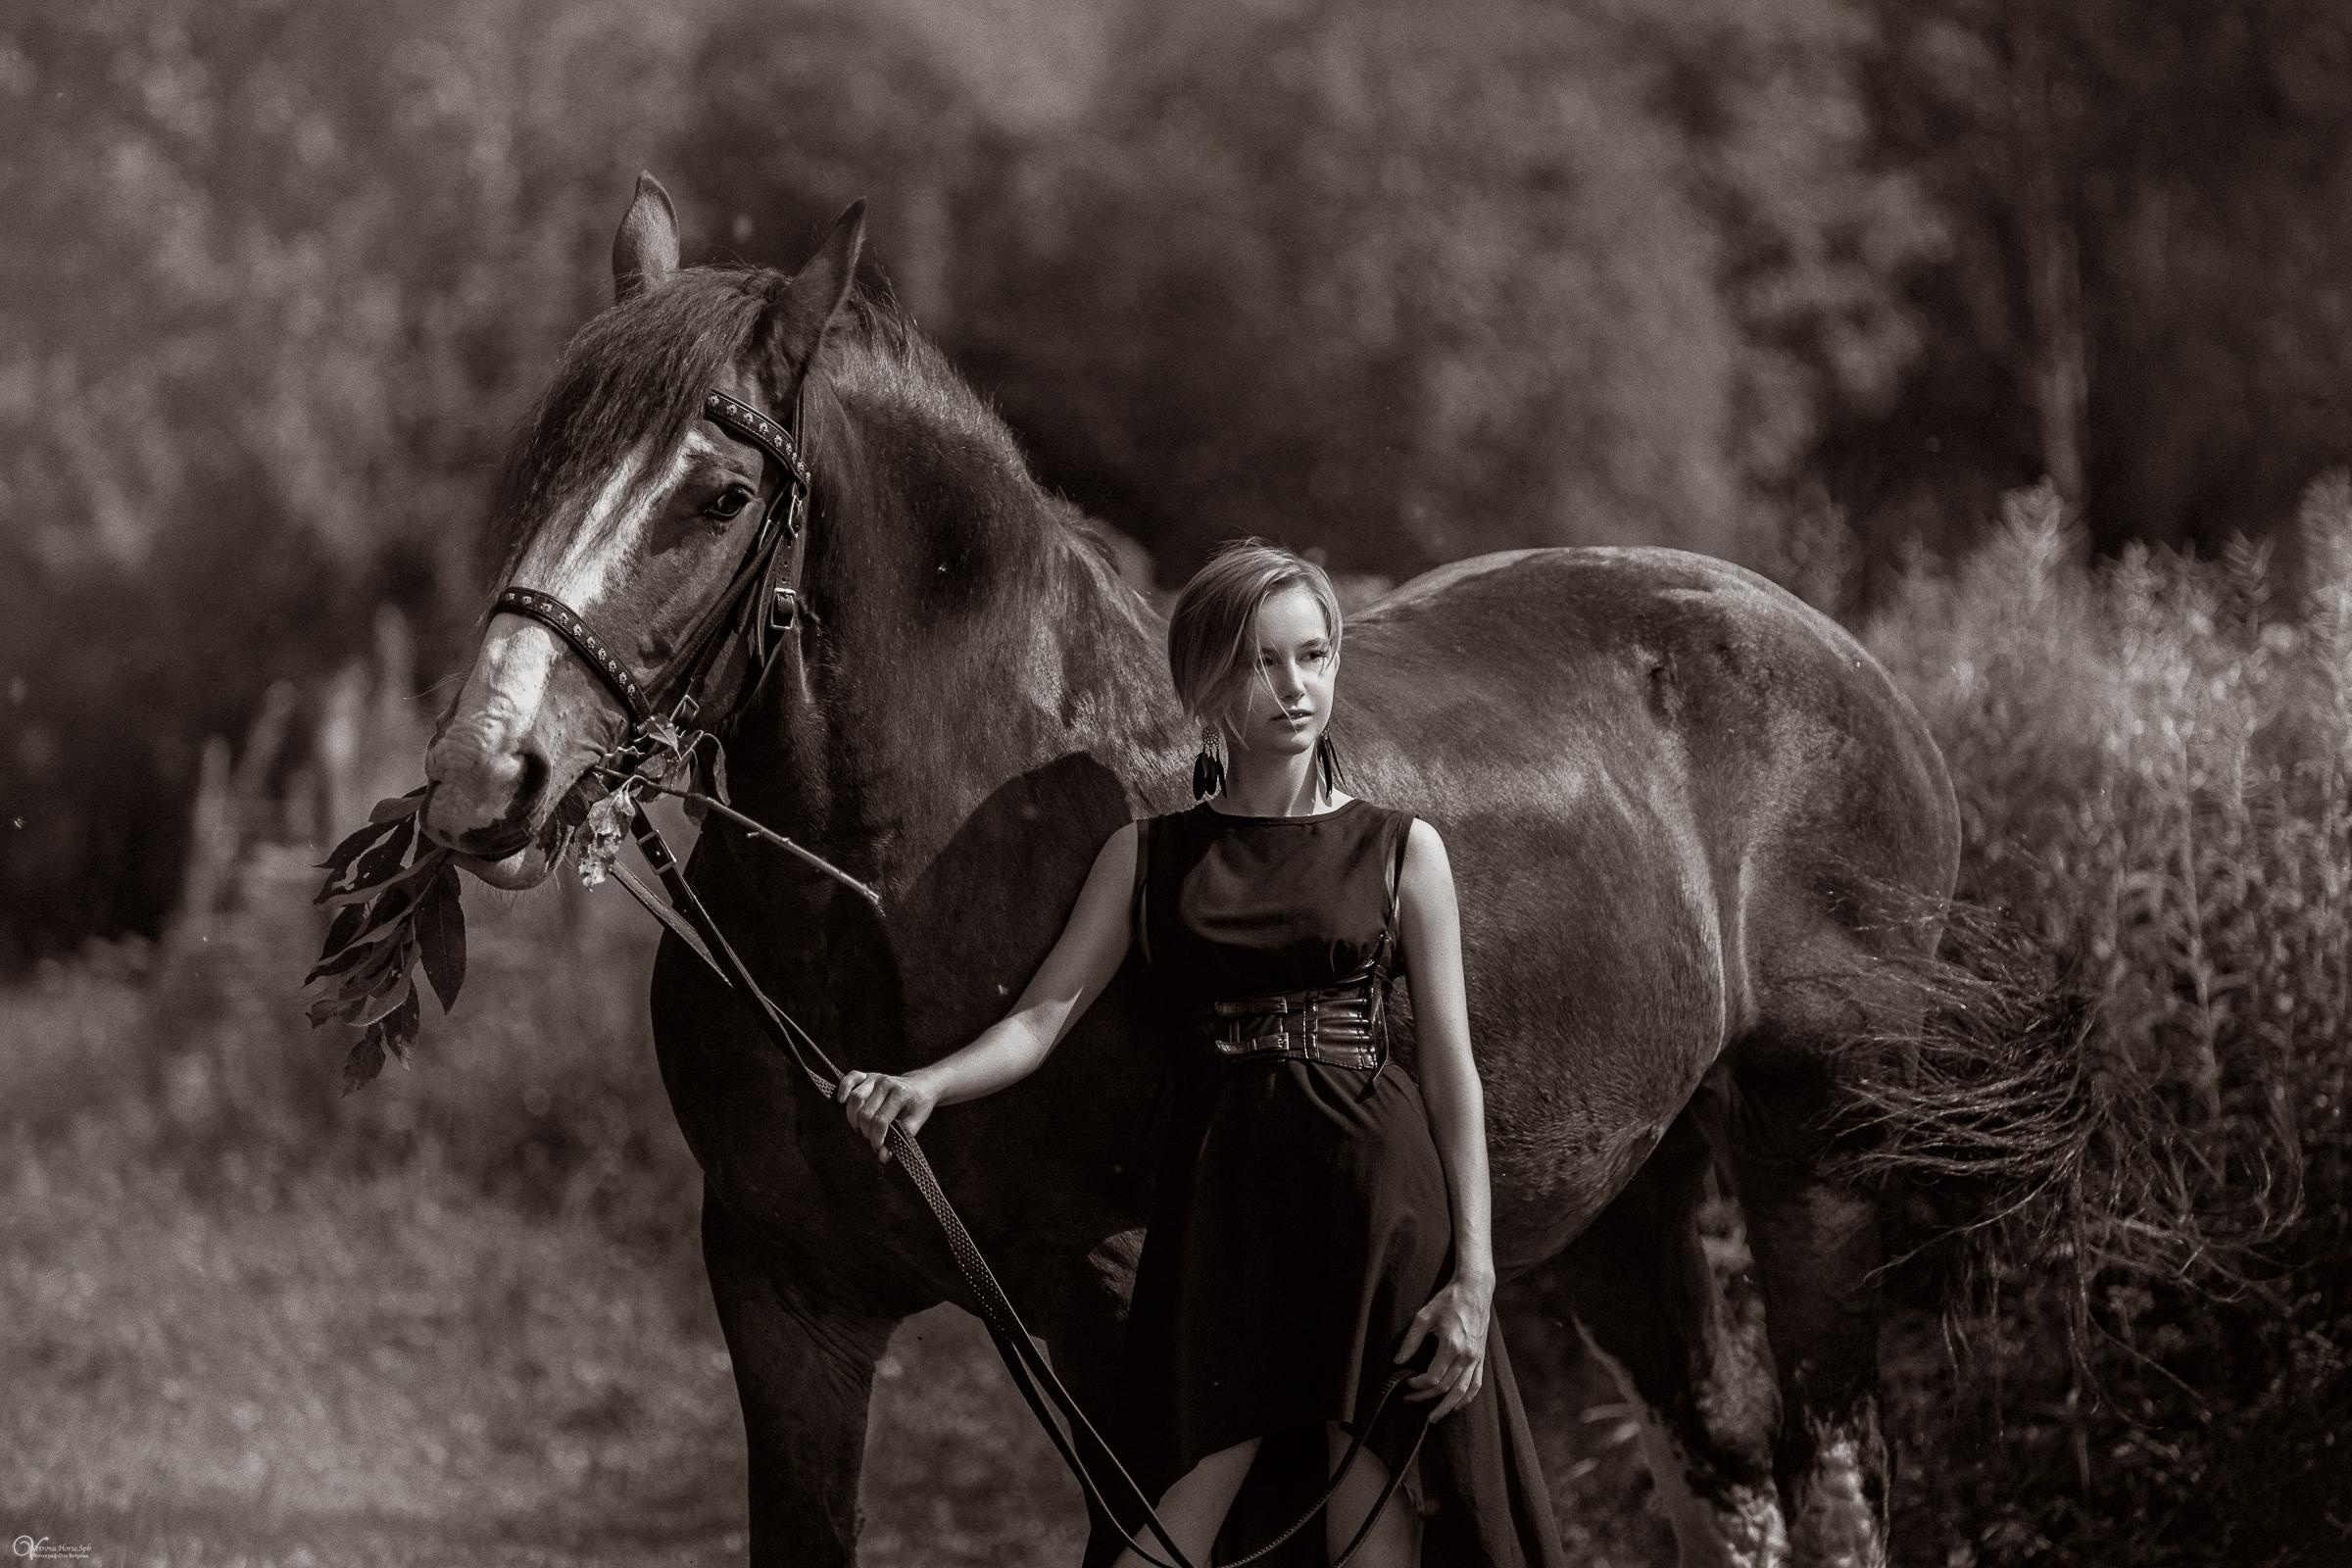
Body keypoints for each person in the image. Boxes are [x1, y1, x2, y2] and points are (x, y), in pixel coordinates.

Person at [835, 539, 1566, 1566]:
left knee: (1372, 1526)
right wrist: (925, 1085)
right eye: (1262, 662)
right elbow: (1041, 1022)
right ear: (1207, 681)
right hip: (1222, 1210)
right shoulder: (1148, 854)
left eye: (1312, 655)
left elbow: (1453, 1074)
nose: (1295, 686)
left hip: (1376, 1203)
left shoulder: (1404, 849)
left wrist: (1476, 1278)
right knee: (1165, 1524)